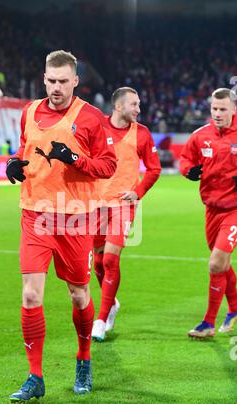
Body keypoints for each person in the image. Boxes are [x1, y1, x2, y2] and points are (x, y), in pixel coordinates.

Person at [6, 50, 116, 402]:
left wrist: (75, 159)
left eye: (63, 82)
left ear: (75, 81)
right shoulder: (29, 111)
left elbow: (108, 166)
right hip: (35, 215)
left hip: (74, 218)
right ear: (44, 79)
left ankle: (83, 359)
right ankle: (34, 376)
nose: (56, 88)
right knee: (30, 294)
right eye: (51, 81)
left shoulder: (91, 118)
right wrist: (13, 164)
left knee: (79, 294)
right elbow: (25, 149)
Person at [91, 87, 161, 342]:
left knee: (110, 260)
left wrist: (138, 192)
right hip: (98, 204)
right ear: (118, 106)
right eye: (134, 104)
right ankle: (112, 304)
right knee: (98, 262)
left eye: (139, 104)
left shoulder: (141, 134)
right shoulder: (98, 129)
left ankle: (100, 319)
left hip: (123, 205)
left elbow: (154, 169)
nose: (138, 109)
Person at [179, 88, 237, 338]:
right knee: (221, 264)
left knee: (215, 263)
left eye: (223, 109)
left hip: (235, 209)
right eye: (214, 108)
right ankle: (235, 309)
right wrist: (188, 171)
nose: (217, 113)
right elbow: (185, 160)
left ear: (234, 110)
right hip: (211, 210)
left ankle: (208, 323)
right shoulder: (200, 135)